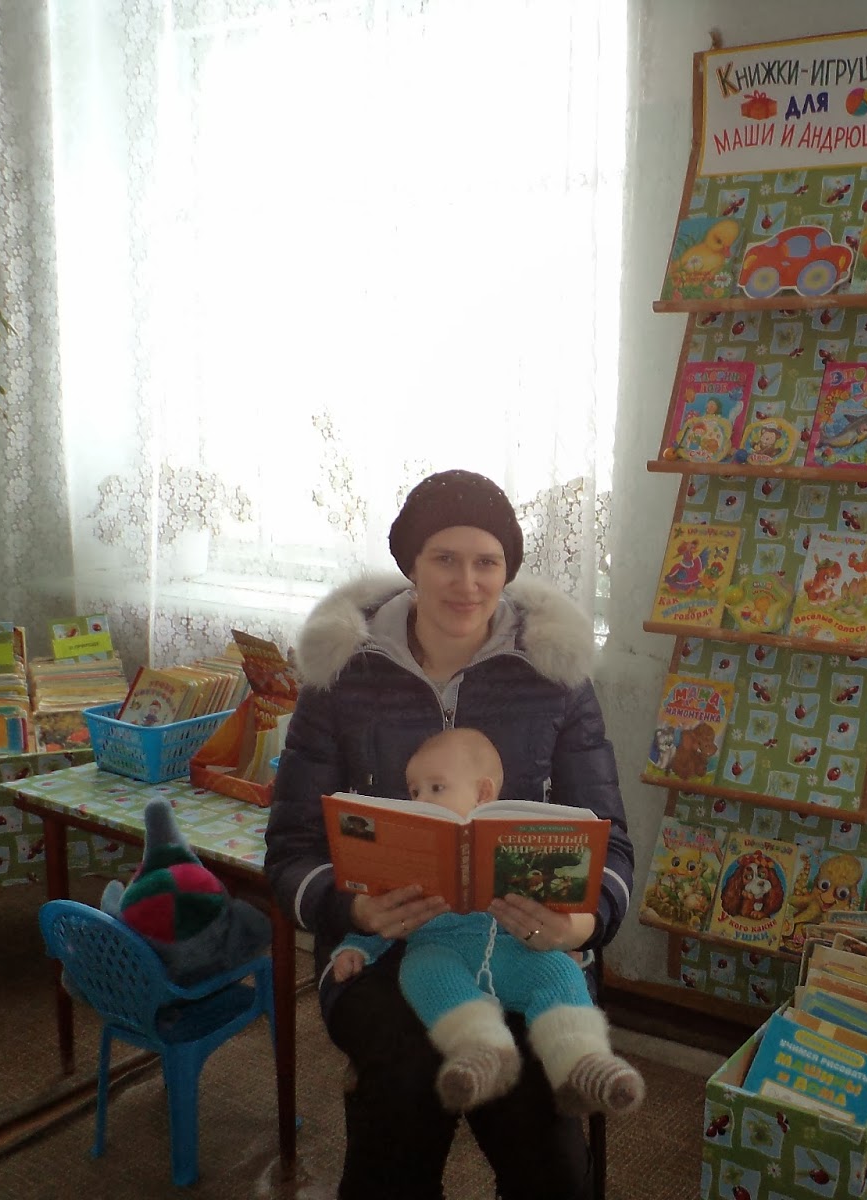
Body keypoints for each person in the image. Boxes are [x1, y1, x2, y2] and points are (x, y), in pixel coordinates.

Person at [265, 468, 635, 1200]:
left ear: (507, 570)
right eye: (445, 559)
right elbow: (290, 851)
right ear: (411, 562)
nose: (467, 583)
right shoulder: (343, 676)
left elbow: (611, 843)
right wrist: (353, 909)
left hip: (527, 949)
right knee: (403, 1096)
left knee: (547, 1155)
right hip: (383, 952)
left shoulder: (553, 677)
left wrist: (581, 925)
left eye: (487, 562)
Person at [329, 727, 644, 1116]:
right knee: (421, 971)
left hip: (516, 949)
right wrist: (356, 946)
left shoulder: (514, 841)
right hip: (441, 949)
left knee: (559, 974)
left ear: (482, 793)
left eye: (436, 788)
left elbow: (556, 902)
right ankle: (481, 1048)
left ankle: (583, 1062)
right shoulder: (415, 857)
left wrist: (566, 935)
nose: (422, 800)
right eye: (414, 792)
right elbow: (383, 910)